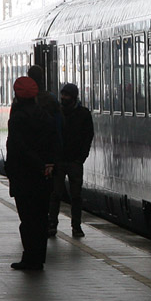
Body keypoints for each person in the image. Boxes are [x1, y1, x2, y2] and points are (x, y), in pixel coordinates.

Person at [5, 76, 58, 270]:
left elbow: (18, 147)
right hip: (44, 176)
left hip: (24, 177)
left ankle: (30, 258)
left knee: (27, 220)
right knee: (41, 218)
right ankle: (39, 258)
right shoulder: (45, 117)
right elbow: (54, 143)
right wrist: (48, 165)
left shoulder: (17, 119)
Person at [49, 83, 94, 238]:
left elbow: (88, 137)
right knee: (55, 194)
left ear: (74, 97)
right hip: (60, 160)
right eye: (63, 95)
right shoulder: (58, 113)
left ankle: (76, 226)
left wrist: (81, 158)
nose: (63, 98)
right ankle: (52, 224)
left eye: (66, 95)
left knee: (76, 196)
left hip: (74, 161)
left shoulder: (83, 114)